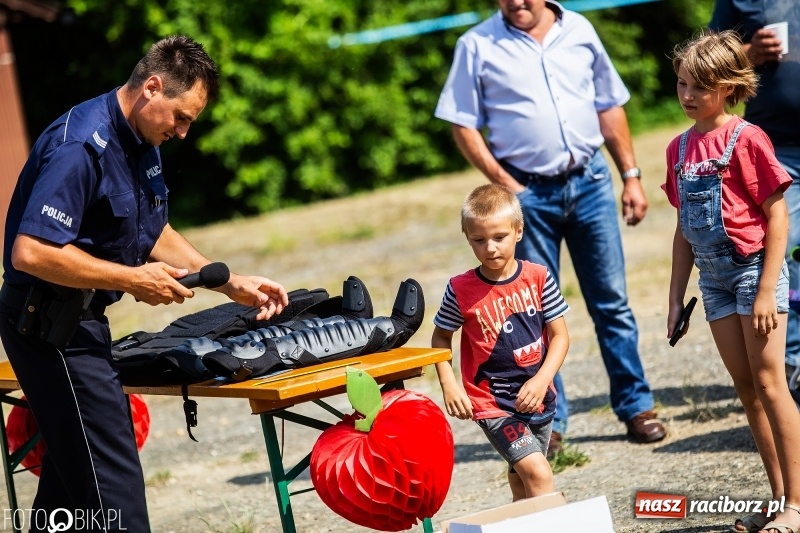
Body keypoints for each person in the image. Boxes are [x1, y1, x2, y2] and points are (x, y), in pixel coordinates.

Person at [0, 35, 288, 531]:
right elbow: (32, 252)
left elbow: (154, 232)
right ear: (152, 88)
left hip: (78, 323)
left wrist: (231, 282)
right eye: (181, 118)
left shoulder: (142, 140)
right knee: (115, 492)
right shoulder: (79, 145)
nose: (182, 133)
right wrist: (132, 279)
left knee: (72, 485)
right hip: (47, 329)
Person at [434, 0, 666, 455]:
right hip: (528, 197)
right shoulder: (476, 44)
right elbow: (461, 122)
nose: (516, 2)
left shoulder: (579, 29)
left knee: (612, 303)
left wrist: (631, 175)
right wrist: (503, 184)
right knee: (531, 314)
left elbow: (609, 106)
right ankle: (547, 420)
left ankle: (636, 406)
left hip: (592, 181)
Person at [664, 31, 800, 533]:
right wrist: (676, 297)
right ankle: (778, 496)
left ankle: (798, 506)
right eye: (681, 83)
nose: (687, 95)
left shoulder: (748, 139)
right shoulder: (678, 149)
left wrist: (767, 287)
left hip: (752, 272)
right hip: (715, 280)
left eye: (699, 86)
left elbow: (778, 216)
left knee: (771, 384)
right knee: (746, 389)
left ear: (727, 87)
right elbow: (683, 231)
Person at [432, 183, 569, 500]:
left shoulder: (539, 277)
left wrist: (541, 380)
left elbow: (560, 336)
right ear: (467, 237)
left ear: (518, 231)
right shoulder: (459, 289)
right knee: (538, 473)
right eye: (479, 240)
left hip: (539, 398)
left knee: (523, 479)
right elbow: (441, 337)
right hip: (493, 405)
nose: (490, 248)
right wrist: (450, 385)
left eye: (499, 237)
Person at [709, 0, 800, 399]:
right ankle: (792, 367)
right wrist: (749, 54)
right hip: (776, 145)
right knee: (787, 252)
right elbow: (708, 61)